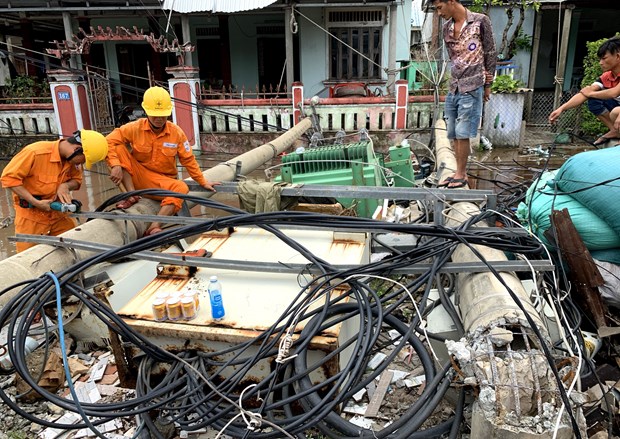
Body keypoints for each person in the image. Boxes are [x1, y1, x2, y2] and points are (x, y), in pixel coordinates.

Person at [106, 86, 218, 236]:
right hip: (136, 177)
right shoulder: (134, 128)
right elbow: (108, 141)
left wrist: (202, 182)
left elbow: (188, 160)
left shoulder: (176, 132)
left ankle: (154, 226)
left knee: (181, 187)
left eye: (163, 115)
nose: (159, 119)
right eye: (155, 115)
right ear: (146, 112)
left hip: (162, 182)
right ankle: (131, 196)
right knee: (118, 148)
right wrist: (115, 165)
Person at [0, 129, 109, 253]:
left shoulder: (72, 161)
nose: (82, 164)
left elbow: (76, 181)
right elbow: (8, 179)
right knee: (29, 258)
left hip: (60, 214)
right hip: (31, 216)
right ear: (77, 149)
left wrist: (65, 186)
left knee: (72, 250)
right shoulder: (35, 153)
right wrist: (35, 202)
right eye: (83, 160)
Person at [432, 0, 497, 189]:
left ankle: (461, 174)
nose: (439, 13)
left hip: (473, 84)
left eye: (439, 8)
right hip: (454, 86)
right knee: (452, 130)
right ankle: (457, 172)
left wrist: (488, 85)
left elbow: (491, 53)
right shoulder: (446, 28)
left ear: (451, 1)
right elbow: (453, 58)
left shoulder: (480, 21)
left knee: (463, 132)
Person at [549, 36, 620, 145]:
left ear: (618, 56)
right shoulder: (606, 76)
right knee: (594, 100)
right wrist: (561, 109)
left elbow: (614, 92)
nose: (600, 63)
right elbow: (585, 94)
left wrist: (591, 93)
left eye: (604, 58)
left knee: (616, 112)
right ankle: (615, 131)